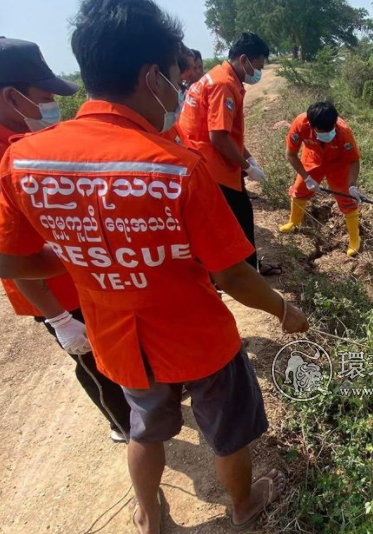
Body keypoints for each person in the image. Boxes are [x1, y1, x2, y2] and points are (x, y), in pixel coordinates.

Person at [0, 2, 309, 534]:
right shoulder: (174, 168)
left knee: (145, 430)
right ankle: (244, 505)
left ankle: (149, 515)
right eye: (173, 74)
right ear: (151, 75)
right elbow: (232, 276)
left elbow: (7, 257)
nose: (179, 87)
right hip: (197, 337)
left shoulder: (24, 160)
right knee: (229, 431)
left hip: (118, 336)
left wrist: (77, 257)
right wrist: (283, 310)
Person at [0, 36, 131, 443]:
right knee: (92, 359)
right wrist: (58, 318)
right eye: (43, 97)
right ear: (11, 96)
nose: (50, 107)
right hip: (52, 289)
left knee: (115, 344)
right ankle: (124, 426)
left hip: (82, 272)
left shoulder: (28, 138)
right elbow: (9, 256)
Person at [178, 32, 282, 276]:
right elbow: (218, 137)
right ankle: (245, 275)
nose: (259, 72)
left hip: (205, 163)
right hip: (211, 167)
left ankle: (246, 269)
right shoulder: (223, 85)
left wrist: (249, 158)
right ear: (244, 60)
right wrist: (247, 167)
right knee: (239, 219)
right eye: (258, 65)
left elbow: (230, 131)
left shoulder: (219, 77)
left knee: (236, 217)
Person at [280, 101, 365, 257]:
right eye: (322, 131)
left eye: (330, 130)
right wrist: (306, 178)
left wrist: (352, 186)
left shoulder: (344, 132)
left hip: (338, 164)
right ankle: (294, 222)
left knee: (347, 199)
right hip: (312, 158)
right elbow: (290, 154)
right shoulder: (300, 124)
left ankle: (354, 240)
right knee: (299, 190)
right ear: (312, 125)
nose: (328, 133)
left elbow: (354, 160)